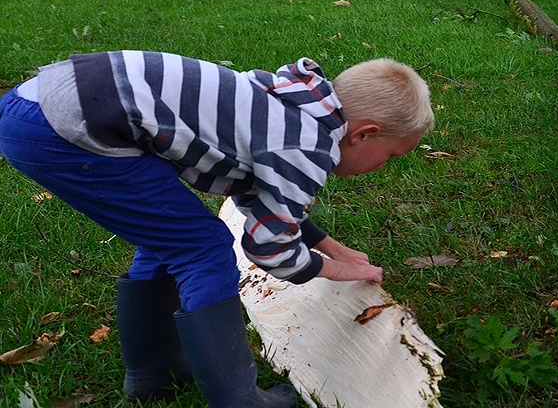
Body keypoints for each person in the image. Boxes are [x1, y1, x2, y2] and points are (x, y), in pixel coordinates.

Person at [0, 51, 433, 408]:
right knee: (201, 249)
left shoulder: (296, 105)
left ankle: (154, 375)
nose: (385, 166)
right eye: (392, 156)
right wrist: (336, 269)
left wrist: (331, 246)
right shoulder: (305, 146)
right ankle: (238, 400)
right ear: (364, 134)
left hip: (42, 103)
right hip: (66, 128)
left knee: (168, 239)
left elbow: (260, 197)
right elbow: (270, 249)